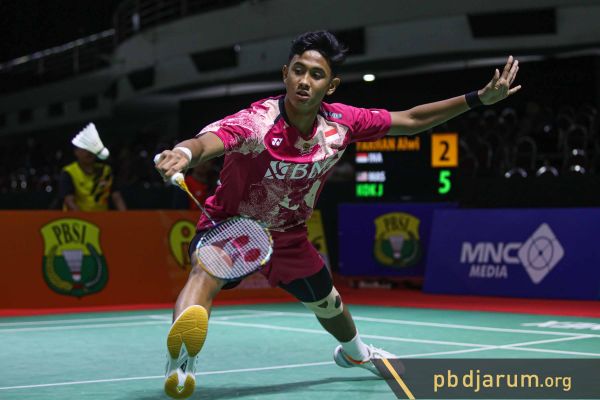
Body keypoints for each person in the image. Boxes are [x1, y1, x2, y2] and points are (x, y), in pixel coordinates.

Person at [155, 31, 520, 399]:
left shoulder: (342, 123)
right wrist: (183, 155)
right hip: (232, 224)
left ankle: (356, 354)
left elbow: (410, 119)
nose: (304, 81)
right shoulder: (257, 122)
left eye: (316, 75)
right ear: (285, 74)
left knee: (328, 303)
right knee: (205, 272)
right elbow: (206, 143)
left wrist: (477, 99)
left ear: (330, 86)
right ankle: (181, 364)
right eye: (298, 70)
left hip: (289, 235)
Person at [59, 143, 127, 211]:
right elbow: (69, 201)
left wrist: (126, 216)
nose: (89, 152)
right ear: (76, 152)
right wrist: (82, 216)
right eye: (85, 149)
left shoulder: (105, 170)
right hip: (77, 216)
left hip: (102, 216)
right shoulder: (69, 172)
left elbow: (116, 197)